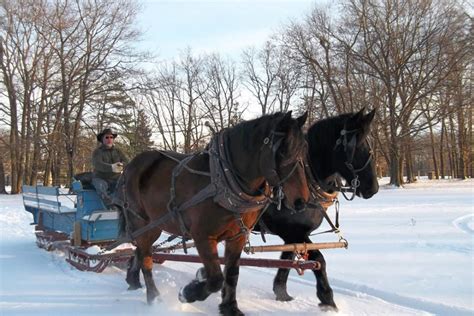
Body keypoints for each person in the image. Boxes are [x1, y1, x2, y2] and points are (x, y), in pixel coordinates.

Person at [91, 128, 128, 208]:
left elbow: (127, 162)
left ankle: (127, 207)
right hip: (101, 178)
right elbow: (97, 164)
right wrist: (111, 167)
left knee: (128, 186)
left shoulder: (118, 151)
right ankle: (111, 207)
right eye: (107, 137)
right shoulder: (97, 152)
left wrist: (121, 165)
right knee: (101, 187)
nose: (109, 139)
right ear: (102, 139)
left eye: (111, 137)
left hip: (116, 178)